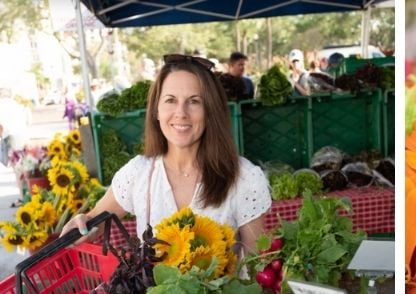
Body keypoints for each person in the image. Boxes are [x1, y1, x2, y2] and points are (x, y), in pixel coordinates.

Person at [60, 54, 272, 254]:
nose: (181, 113)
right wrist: (81, 221)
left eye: (194, 101)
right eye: (170, 100)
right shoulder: (138, 173)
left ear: (211, 111)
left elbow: (256, 266)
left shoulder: (244, 178)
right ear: (156, 111)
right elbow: (94, 220)